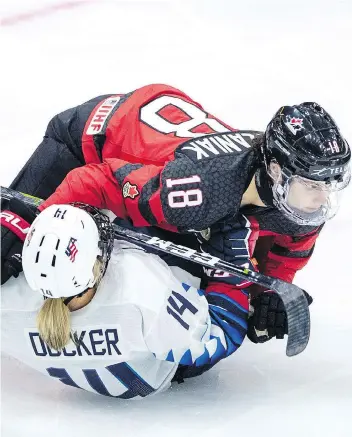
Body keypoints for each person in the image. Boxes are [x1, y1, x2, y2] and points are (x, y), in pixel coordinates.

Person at [2, 84, 350, 343]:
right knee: (8, 251)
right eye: (314, 184)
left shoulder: (299, 204)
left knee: (196, 271)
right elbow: (94, 180)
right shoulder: (196, 191)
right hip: (90, 136)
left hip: (164, 136)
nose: (323, 199)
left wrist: (267, 298)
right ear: (276, 170)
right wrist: (44, 232)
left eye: (332, 185)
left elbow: (277, 262)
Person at [1, 202, 250, 399]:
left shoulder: (10, 302)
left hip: (125, 373)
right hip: (167, 364)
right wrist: (232, 253)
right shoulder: (137, 286)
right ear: (94, 268)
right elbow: (223, 332)